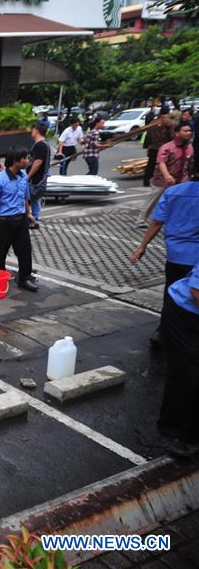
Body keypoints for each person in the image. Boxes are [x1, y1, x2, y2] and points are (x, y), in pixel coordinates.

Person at [131, 169, 199, 348]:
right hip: (195, 258)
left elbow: (156, 222)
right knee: (193, 297)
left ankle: (164, 332)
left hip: (175, 255)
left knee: (172, 293)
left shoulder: (173, 191)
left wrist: (142, 246)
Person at [155, 262, 199, 457]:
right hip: (184, 314)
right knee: (185, 373)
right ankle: (172, 434)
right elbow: (197, 292)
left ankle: (192, 433)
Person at [0, 146, 39, 292]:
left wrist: (28, 214)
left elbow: (25, 198)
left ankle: (24, 278)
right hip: (4, 222)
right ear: (16, 161)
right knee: (0, 253)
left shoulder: (23, 177)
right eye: (24, 158)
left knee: (24, 251)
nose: (27, 161)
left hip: (21, 220)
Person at [137, 122, 195, 228]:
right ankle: (142, 219)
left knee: (180, 201)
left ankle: (176, 220)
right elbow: (161, 163)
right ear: (177, 133)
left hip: (182, 180)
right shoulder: (167, 147)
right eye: (185, 131)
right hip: (163, 179)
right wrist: (167, 175)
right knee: (154, 199)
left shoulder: (190, 147)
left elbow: (190, 162)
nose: (189, 133)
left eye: (190, 131)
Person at [143, 106, 175, 187]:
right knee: (165, 165)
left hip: (154, 147)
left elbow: (148, 135)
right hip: (164, 148)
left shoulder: (153, 122)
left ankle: (146, 181)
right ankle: (165, 180)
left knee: (151, 165)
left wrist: (147, 146)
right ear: (168, 112)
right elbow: (171, 135)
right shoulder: (170, 122)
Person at [27, 123, 51, 230]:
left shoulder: (40, 145)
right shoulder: (43, 144)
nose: (31, 131)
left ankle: (34, 220)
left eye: (32, 129)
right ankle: (35, 218)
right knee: (35, 199)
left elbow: (37, 162)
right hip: (39, 178)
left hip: (37, 179)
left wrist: (28, 176)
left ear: (36, 131)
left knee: (31, 198)